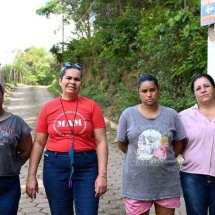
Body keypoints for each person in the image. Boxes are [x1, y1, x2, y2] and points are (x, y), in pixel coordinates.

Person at [26, 62, 108, 215]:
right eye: (68, 78)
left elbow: (102, 141)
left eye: (77, 79)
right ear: (60, 81)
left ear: (81, 83)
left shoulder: (92, 106)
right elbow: (38, 143)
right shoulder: (48, 108)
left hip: (87, 167)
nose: (72, 82)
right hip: (55, 167)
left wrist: (102, 175)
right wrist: (31, 176)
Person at [117, 74, 186, 215]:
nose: (149, 94)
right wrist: (140, 155)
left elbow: (180, 142)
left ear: (158, 90)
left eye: (152, 90)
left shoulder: (171, 115)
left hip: (166, 181)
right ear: (139, 92)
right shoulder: (128, 115)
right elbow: (122, 143)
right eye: (144, 91)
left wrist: (167, 157)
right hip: (136, 183)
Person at [179, 74, 215, 215]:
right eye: (198, 88)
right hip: (192, 177)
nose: (203, 90)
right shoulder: (183, 117)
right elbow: (175, 144)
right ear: (194, 94)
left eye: (206, 86)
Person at [0, 83, 32, 215]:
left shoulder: (16, 122)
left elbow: (27, 149)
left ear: (2, 95)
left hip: (8, 184)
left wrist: (14, 163)